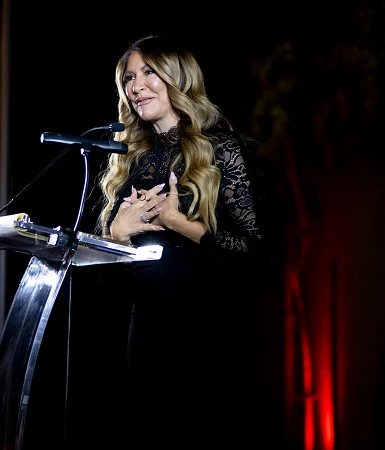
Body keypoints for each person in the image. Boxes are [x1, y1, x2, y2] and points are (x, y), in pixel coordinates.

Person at [93, 34, 271, 450]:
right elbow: (108, 280)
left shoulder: (222, 149)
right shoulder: (129, 160)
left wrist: (180, 223)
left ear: (177, 76)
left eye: (148, 72)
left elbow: (255, 252)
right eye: (129, 78)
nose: (136, 87)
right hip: (147, 333)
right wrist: (116, 237)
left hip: (210, 336)